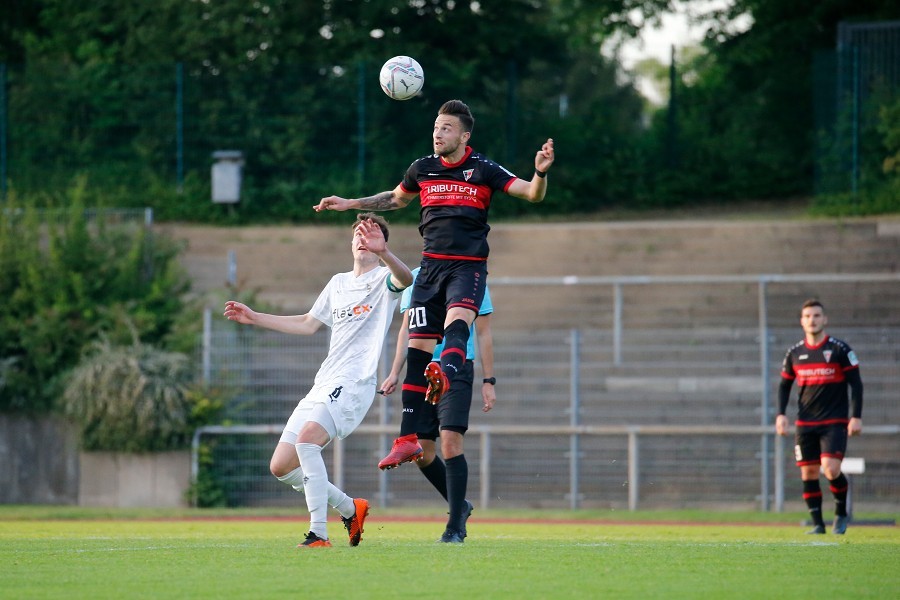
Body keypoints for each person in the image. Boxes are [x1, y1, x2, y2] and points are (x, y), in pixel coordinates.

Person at [314, 99, 553, 542]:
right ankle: (407, 436)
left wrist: (539, 171)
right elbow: (393, 199)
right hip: (430, 269)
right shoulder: (422, 168)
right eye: (435, 127)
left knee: (460, 317)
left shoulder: (483, 169)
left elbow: (531, 194)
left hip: (466, 266)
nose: (437, 133)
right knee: (419, 346)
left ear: (464, 136)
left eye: (446, 128)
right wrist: (349, 203)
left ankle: (449, 370)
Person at [223, 213, 412, 548]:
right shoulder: (338, 282)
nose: (362, 238)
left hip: (355, 382)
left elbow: (406, 278)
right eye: (357, 232)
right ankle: (350, 507)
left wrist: (384, 253)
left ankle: (318, 534)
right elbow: (309, 323)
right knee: (281, 465)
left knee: (307, 441)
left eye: (370, 233)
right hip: (324, 382)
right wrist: (255, 318)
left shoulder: (385, 279)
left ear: (382, 242)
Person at [377, 267, 495, 542]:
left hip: (457, 368)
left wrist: (489, 380)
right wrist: (395, 372)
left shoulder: (472, 277)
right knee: (423, 452)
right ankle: (461, 506)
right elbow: (406, 330)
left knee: (451, 442)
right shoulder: (414, 277)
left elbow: (484, 333)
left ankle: (455, 526)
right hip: (421, 368)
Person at [776, 299, 863, 535]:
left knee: (831, 469)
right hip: (805, 423)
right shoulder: (794, 353)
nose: (812, 320)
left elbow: (856, 384)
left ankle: (841, 514)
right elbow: (784, 386)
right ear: (801, 321)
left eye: (816, 315)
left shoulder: (840, 350)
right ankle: (817, 524)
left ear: (825, 319)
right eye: (807, 316)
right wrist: (781, 415)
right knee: (809, 472)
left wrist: (856, 416)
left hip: (834, 421)